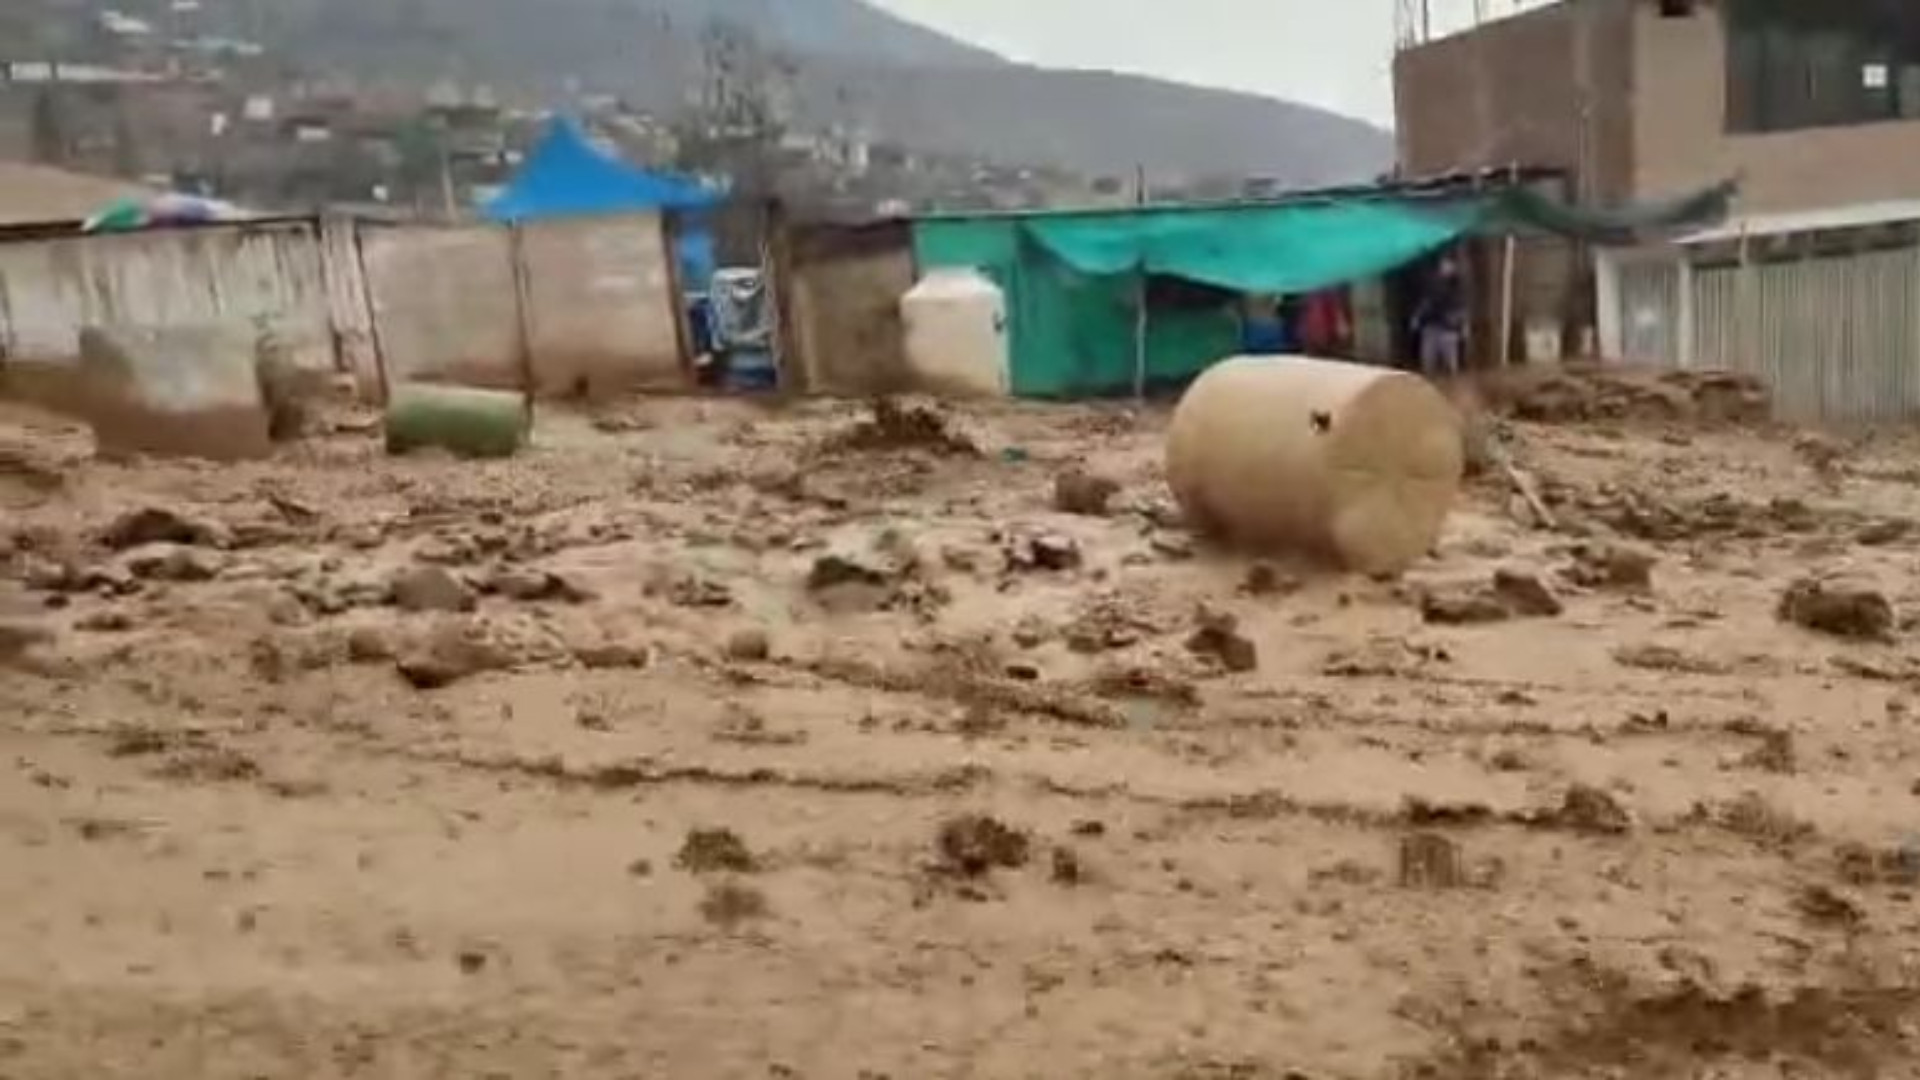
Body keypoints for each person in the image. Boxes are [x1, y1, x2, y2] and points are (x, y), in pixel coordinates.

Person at [1412, 257, 1466, 379]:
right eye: (1443, 265)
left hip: (1447, 329)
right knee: (1429, 363)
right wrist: (1417, 317)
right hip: (1432, 327)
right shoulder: (1433, 284)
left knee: (1450, 365)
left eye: (1448, 265)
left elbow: (1460, 308)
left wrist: (1460, 325)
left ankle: (1452, 388)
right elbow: (1426, 303)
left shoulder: (1456, 286)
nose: (1445, 267)